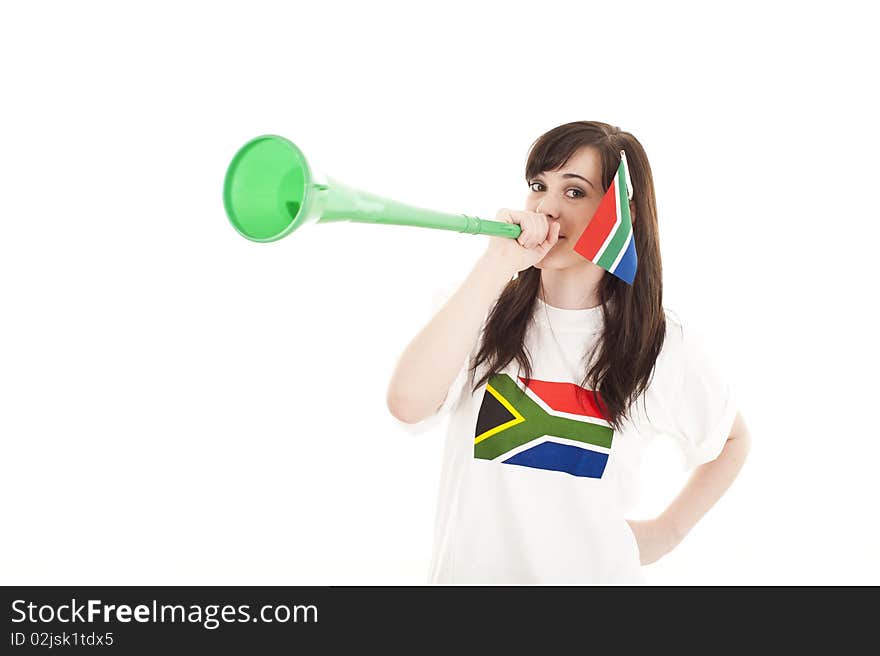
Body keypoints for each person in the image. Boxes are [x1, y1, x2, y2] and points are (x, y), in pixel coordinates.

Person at [386, 120, 751, 584]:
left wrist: (666, 532)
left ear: (623, 215)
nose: (547, 207)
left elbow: (733, 441)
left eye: (575, 192)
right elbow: (407, 404)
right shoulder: (478, 308)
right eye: (539, 187)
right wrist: (496, 264)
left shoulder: (659, 344)